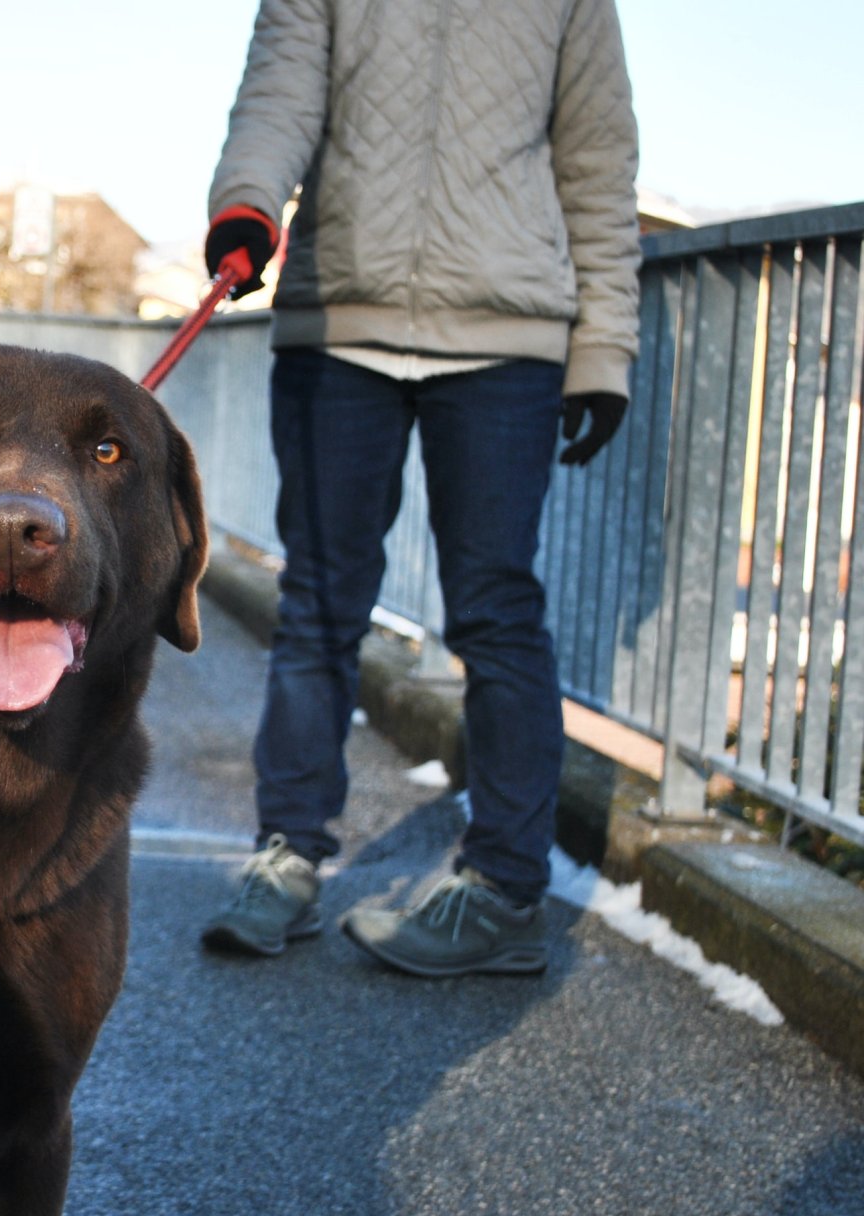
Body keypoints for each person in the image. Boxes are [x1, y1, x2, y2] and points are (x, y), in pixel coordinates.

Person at [196, 0, 641, 976]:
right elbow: (275, 102)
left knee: (495, 610)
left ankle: (505, 889)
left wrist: (603, 345)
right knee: (318, 598)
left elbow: (598, 167)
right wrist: (246, 203)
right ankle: (287, 857)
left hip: (504, 337)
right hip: (339, 323)